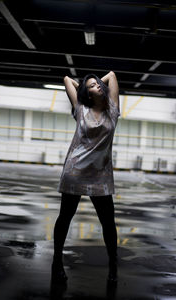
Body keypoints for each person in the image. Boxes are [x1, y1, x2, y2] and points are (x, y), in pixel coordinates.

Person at [51, 71, 121, 284]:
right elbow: (66, 79)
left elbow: (112, 75)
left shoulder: (113, 110)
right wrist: (83, 85)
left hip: (101, 175)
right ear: (87, 93)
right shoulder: (80, 109)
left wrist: (97, 80)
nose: (98, 85)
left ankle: (113, 265)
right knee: (65, 217)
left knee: (108, 222)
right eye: (92, 86)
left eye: (99, 83)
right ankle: (57, 261)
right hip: (75, 172)